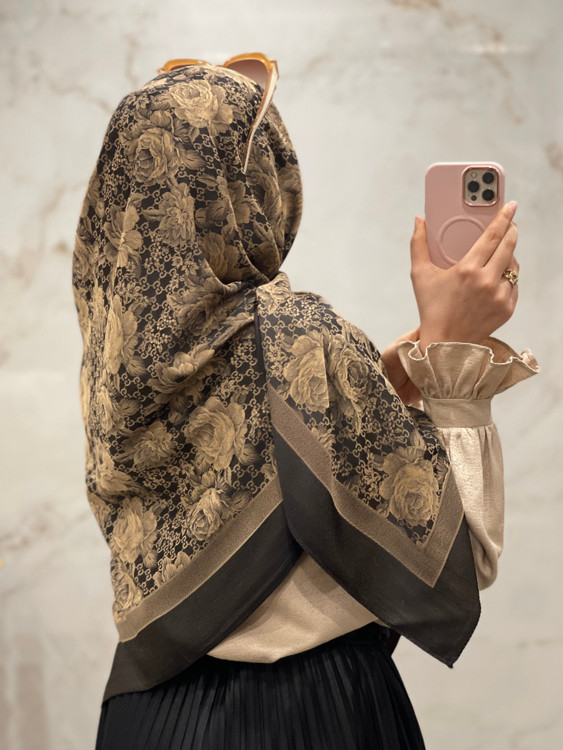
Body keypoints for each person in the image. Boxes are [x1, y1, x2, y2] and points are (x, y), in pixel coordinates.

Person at [71, 58, 539, 749]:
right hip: (311, 713)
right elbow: (462, 555)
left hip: (145, 717)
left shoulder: (117, 364)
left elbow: (258, 442)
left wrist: (384, 372)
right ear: (253, 185)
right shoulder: (298, 342)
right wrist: (454, 355)